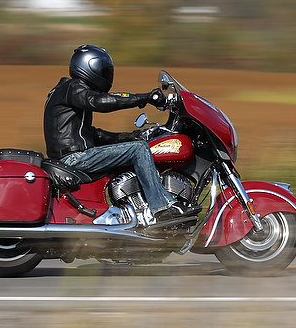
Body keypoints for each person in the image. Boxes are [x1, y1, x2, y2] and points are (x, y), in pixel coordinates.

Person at [43, 44, 199, 225]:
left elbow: (93, 134)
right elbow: (100, 102)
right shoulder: (73, 87)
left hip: (72, 156)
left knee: (136, 145)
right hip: (75, 158)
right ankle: (162, 207)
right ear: (90, 66)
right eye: (103, 69)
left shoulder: (65, 91)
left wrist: (133, 136)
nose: (106, 74)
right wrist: (145, 98)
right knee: (139, 150)